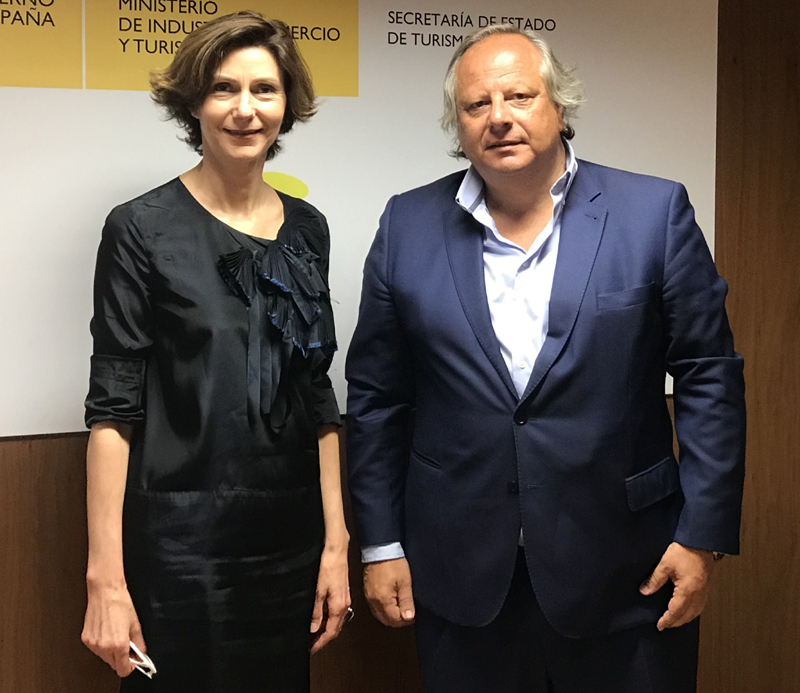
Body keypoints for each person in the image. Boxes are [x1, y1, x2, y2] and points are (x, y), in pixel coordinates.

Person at [346, 24, 745, 693]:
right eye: (477, 104)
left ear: (559, 106)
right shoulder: (406, 225)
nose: (498, 116)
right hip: (461, 574)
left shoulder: (653, 212)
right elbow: (377, 398)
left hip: (628, 569)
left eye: (519, 96)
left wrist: (701, 534)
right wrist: (381, 543)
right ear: (458, 124)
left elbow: (710, 378)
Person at [81, 12, 350, 692]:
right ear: (194, 102)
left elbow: (317, 393)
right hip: (179, 550)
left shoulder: (309, 229)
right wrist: (105, 579)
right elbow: (113, 410)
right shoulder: (140, 228)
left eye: (264, 89)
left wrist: (336, 543)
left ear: (286, 104)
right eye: (224, 88)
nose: (244, 109)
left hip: (289, 544)